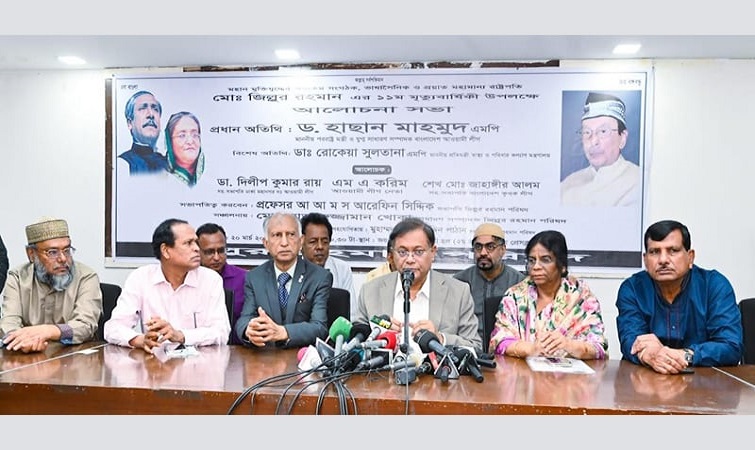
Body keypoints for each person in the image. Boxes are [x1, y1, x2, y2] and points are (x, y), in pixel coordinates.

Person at [616, 220, 743, 373]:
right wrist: (648, 354)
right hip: (647, 378)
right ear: (645, 259)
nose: (663, 260)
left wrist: (685, 355)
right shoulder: (632, 289)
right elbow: (631, 340)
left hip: (704, 381)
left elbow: (730, 346)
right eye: (654, 252)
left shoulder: (714, 286)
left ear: (690, 257)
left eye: (673, 251)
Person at [104, 218, 230, 353]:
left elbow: (221, 332)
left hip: (200, 362)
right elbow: (113, 327)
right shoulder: (140, 278)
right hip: (154, 362)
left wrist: (180, 335)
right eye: (188, 243)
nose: (196, 249)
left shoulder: (211, 280)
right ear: (165, 250)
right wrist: (139, 340)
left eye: (196, 243)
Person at [355, 217, 481, 351]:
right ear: (392, 254)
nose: (410, 259)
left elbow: (475, 346)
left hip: (435, 365)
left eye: (418, 252)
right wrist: (377, 332)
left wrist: (440, 338)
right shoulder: (370, 291)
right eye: (402, 252)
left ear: (433, 252)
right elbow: (355, 343)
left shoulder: (458, 292)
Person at [489, 230, 608, 360]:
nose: (536, 267)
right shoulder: (515, 296)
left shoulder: (581, 297)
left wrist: (568, 345)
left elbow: (598, 347)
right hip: (522, 371)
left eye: (545, 260)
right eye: (532, 260)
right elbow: (500, 341)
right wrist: (531, 349)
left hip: (571, 371)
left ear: (562, 265)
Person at [1, 217, 102, 352]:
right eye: (52, 252)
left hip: (73, 357)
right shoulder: (18, 277)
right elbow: (8, 322)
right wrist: (22, 341)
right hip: (28, 356)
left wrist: (47, 331)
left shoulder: (86, 277)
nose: (63, 259)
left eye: (67, 250)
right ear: (31, 254)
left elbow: (86, 325)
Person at [235, 212, 331, 349]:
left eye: (291, 234)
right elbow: (244, 319)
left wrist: (283, 332)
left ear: (301, 241)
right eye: (277, 235)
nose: (284, 243)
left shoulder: (320, 277)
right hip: (266, 357)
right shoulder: (254, 277)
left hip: (303, 356)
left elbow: (319, 327)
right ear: (266, 244)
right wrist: (249, 330)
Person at [560, 92, 641, 207]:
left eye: (603, 131)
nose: (593, 141)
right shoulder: (568, 184)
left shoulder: (639, 182)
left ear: (622, 138)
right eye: (587, 132)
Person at [454, 222, 525, 343]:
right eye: (478, 247)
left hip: (508, 348)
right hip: (468, 346)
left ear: (503, 250)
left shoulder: (519, 283)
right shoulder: (459, 282)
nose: (483, 253)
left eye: (490, 247)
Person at [196, 223, 248, 344]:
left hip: (238, 350)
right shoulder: (187, 280)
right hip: (197, 349)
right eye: (209, 252)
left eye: (221, 251)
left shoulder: (244, 279)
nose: (216, 257)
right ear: (197, 251)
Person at [299, 212, 357, 320]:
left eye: (325, 242)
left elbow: (352, 314)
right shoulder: (292, 269)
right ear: (301, 243)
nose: (320, 247)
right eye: (313, 242)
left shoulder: (342, 269)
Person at [118, 90, 168, 174]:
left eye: (155, 109)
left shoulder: (170, 166)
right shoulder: (122, 164)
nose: (151, 114)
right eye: (142, 108)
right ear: (130, 123)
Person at [165, 111, 204, 187]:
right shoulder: (156, 175)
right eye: (182, 135)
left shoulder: (212, 175)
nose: (190, 141)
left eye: (195, 135)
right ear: (169, 142)